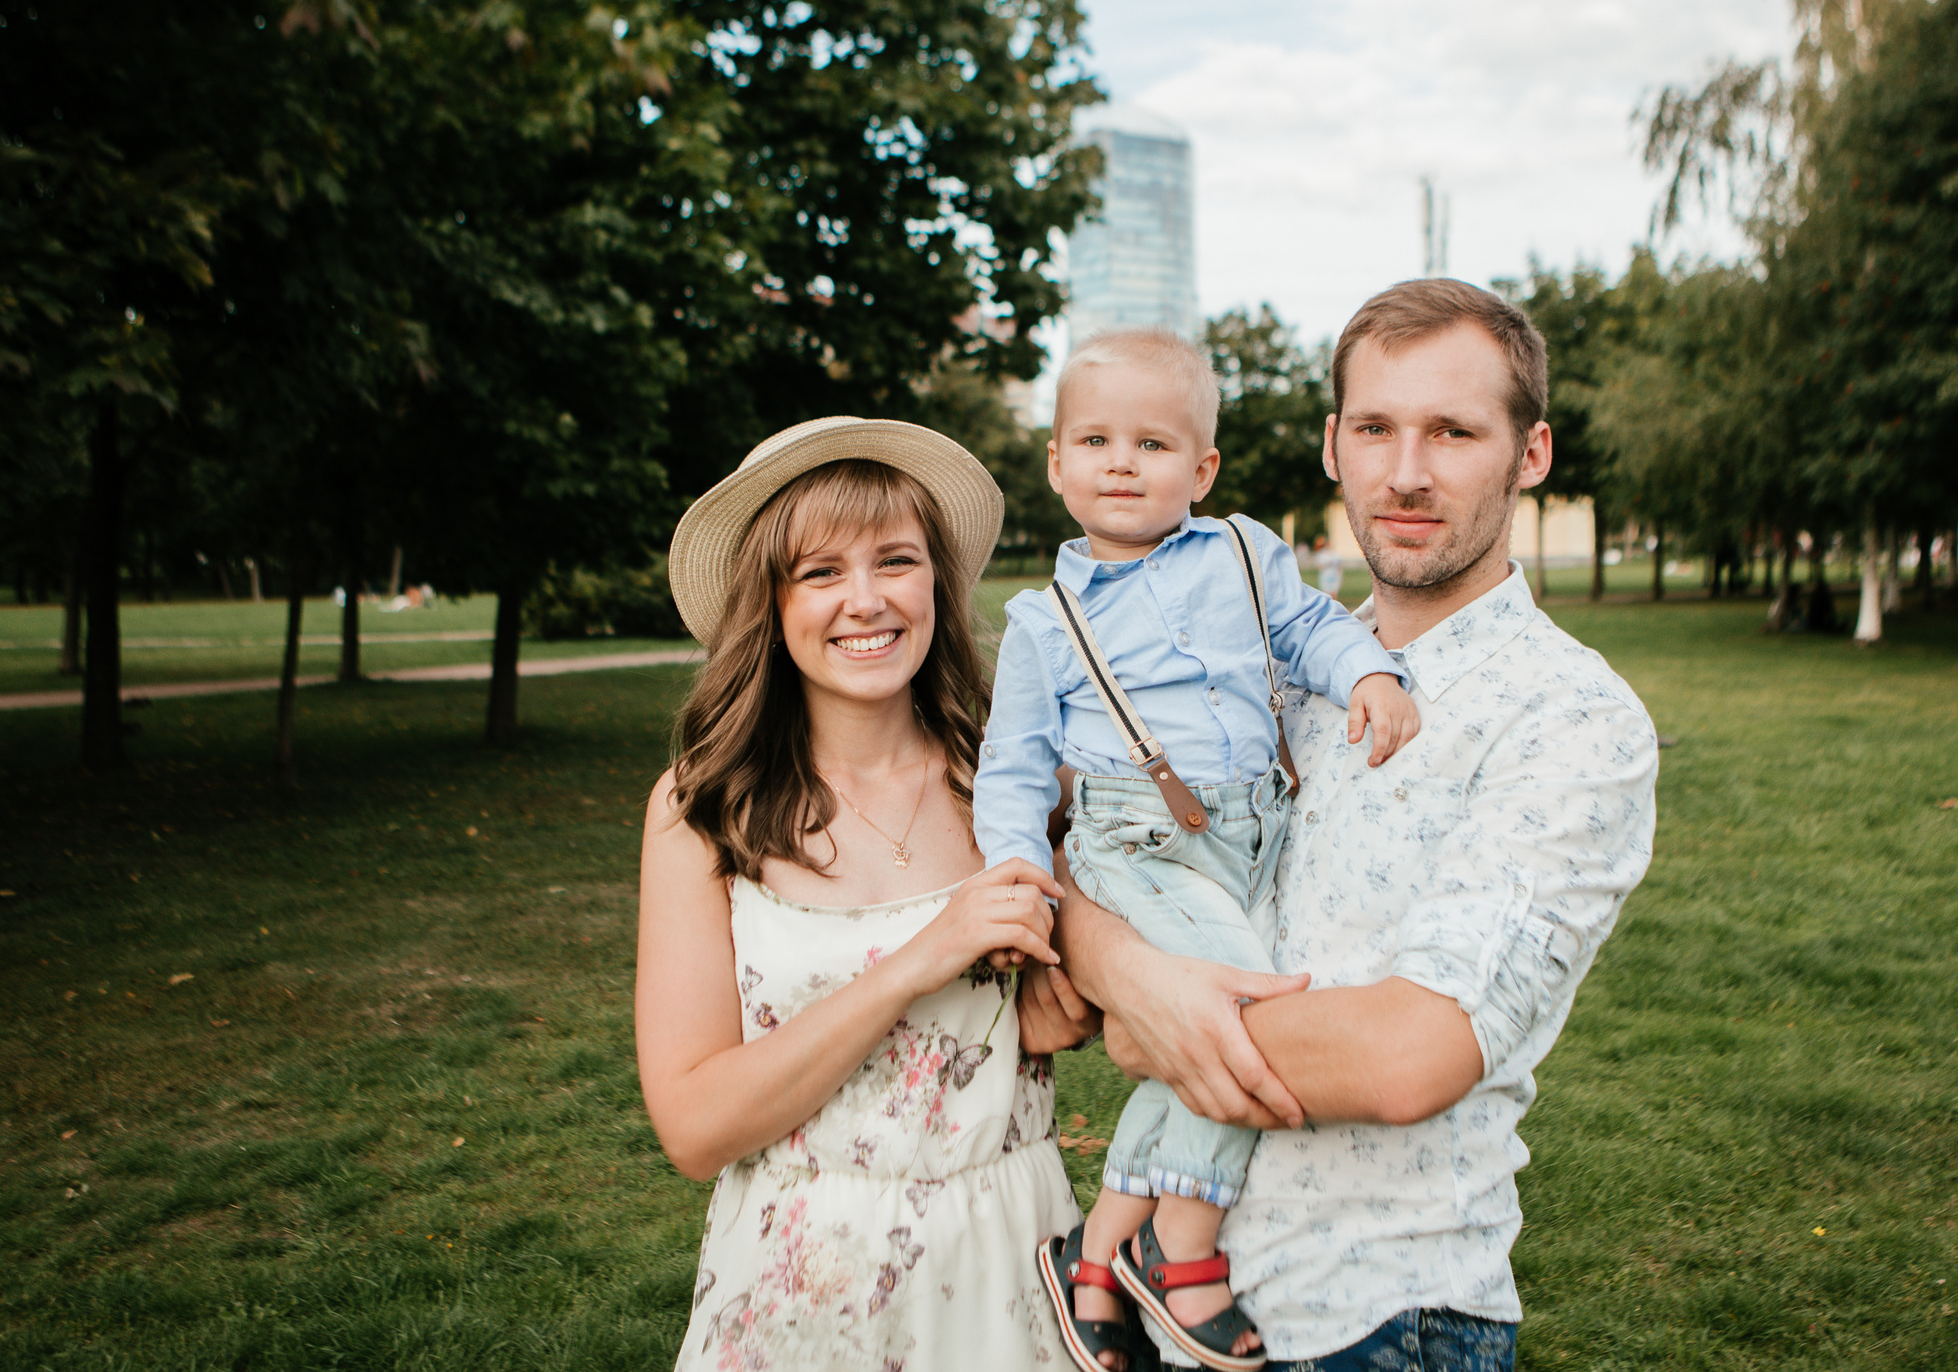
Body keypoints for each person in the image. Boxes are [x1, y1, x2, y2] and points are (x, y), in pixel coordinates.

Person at [1023, 280, 1659, 1371]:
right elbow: (1098, 861)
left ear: (1532, 454)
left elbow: (1411, 1053)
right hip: (1176, 1310)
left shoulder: (1572, 716)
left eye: (1453, 432)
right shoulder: (1271, 676)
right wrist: (1128, 974)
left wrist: (1150, 1017)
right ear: (1333, 445)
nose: (1405, 472)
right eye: (1375, 428)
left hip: (1380, 1316)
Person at [970, 327, 1418, 1372]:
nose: (1121, 463)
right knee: (1244, 1011)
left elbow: (1308, 629)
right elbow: (1014, 766)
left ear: (1202, 468)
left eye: (1152, 445)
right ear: (1056, 464)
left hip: (1252, 835)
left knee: (1188, 1046)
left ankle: (1091, 1254)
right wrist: (1016, 873)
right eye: (1094, 441)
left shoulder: (1242, 552)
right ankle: (1182, 1251)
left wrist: (1369, 676)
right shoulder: (1046, 621)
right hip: (1138, 843)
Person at [636, 417, 1082, 1371]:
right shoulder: (702, 808)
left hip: (1009, 1256)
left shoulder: (1018, 776)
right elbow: (693, 1126)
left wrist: (1071, 994)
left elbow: (1079, 998)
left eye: (896, 560)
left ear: (937, 582)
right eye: (822, 570)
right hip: (801, 1284)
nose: (868, 599)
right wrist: (919, 960)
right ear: (772, 599)